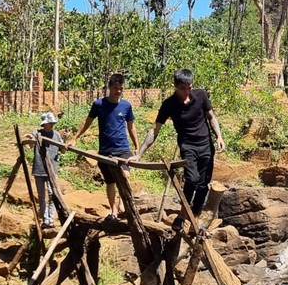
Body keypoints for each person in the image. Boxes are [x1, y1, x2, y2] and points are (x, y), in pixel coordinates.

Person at [129, 68, 225, 233]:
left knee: (203, 185)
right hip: (188, 146)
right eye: (182, 88)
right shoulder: (169, 104)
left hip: (206, 145)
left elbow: (211, 117)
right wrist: (139, 154)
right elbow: (155, 130)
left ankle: (194, 218)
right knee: (192, 179)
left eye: (189, 87)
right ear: (175, 86)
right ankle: (182, 214)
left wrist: (219, 136)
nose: (187, 92)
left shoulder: (201, 95)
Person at [68, 73, 139, 221]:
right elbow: (87, 122)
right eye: (115, 88)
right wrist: (74, 138)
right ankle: (113, 212)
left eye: (121, 88)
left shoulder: (126, 105)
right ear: (109, 88)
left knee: (125, 175)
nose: (118, 91)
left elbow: (131, 127)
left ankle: (123, 206)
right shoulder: (99, 105)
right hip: (105, 151)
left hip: (123, 149)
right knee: (110, 182)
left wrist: (137, 146)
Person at [25, 112, 65, 229]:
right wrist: (30, 139)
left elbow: (62, 150)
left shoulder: (57, 135)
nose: (52, 125)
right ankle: (45, 219)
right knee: (41, 195)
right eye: (50, 123)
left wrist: (65, 142)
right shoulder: (37, 133)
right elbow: (31, 145)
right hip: (39, 168)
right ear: (44, 124)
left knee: (53, 195)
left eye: (52, 123)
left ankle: (51, 218)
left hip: (52, 169)